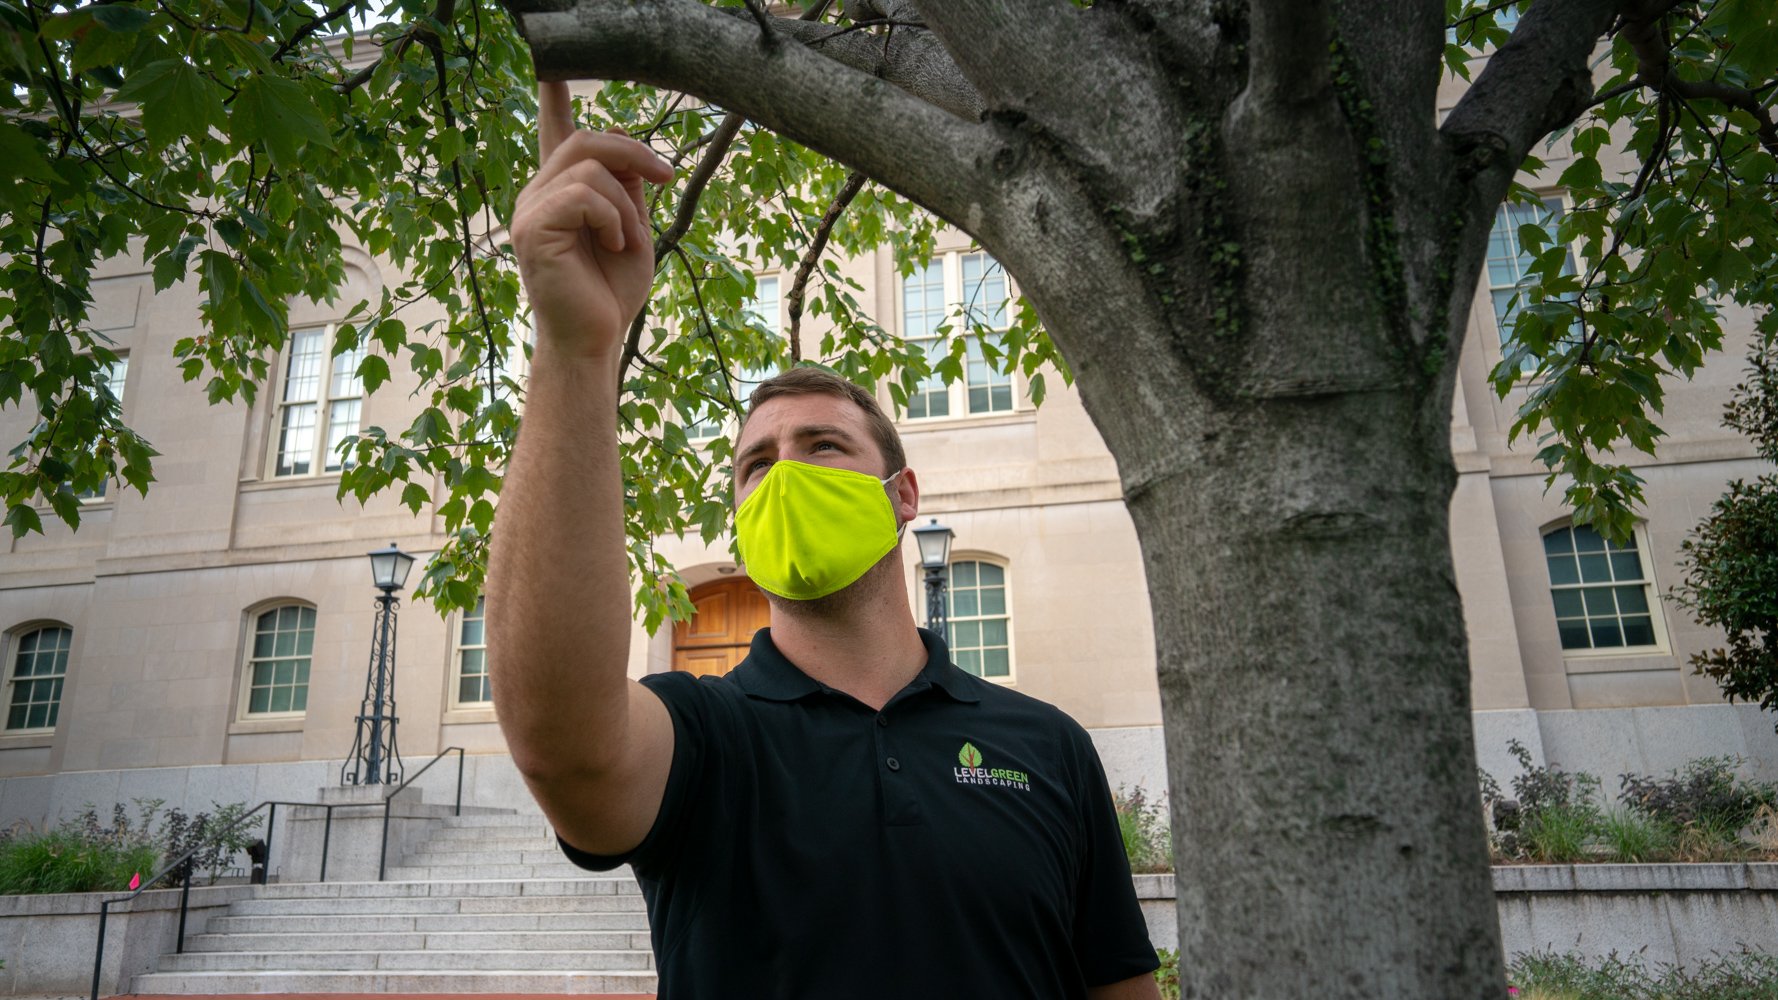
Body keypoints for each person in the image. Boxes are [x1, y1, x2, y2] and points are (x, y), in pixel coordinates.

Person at [488, 80, 1162, 1000]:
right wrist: (575, 347)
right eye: (756, 463)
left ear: (902, 496)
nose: (786, 472)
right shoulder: (704, 738)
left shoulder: (1046, 746)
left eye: (823, 446)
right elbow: (564, 745)